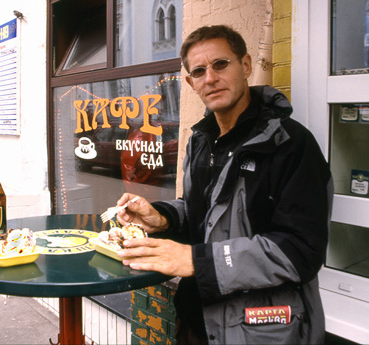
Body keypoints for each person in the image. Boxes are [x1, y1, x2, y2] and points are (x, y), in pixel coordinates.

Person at [116, 25, 333, 344]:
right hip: (195, 322)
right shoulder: (201, 141)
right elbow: (203, 215)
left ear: (245, 66)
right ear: (190, 82)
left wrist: (194, 261)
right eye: (199, 71)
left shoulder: (291, 143)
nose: (211, 78)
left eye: (221, 64)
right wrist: (162, 217)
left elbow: (301, 250)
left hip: (260, 331)